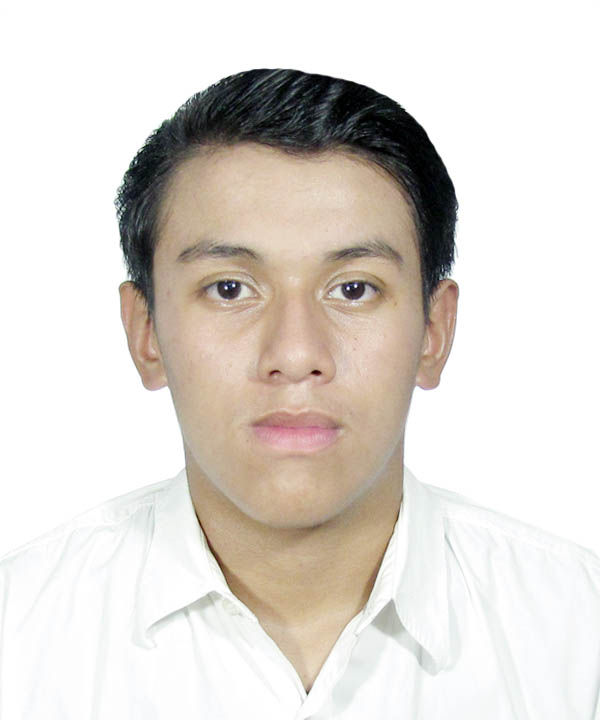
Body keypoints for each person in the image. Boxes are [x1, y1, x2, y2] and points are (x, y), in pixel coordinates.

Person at [0, 68, 598, 719]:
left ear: (434, 330)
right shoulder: (20, 636)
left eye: (353, 289)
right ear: (146, 332)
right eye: (229, 288)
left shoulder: (576, 634)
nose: (294, 355)